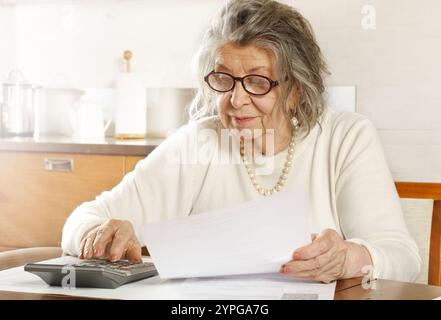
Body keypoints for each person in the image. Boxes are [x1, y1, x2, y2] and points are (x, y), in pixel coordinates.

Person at [62, 0, 421, 283]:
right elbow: (82, 219)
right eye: (224, 79)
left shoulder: (346, 138)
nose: (236, 100)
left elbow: (403, 259)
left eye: (257, 81)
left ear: (295, 91)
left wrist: (346, 258)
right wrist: (99, 233)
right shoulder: (198, 142)